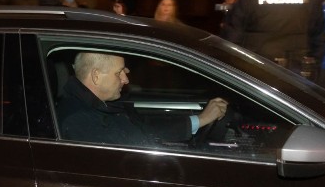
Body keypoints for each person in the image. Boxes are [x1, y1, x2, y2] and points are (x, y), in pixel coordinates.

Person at [56, 51, 227, 146]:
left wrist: (200, 120)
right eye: (119, 73)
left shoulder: (100, 106)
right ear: (96, 76)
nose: (125, 79)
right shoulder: (79, 122)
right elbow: (139, 145)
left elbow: (146, 131)